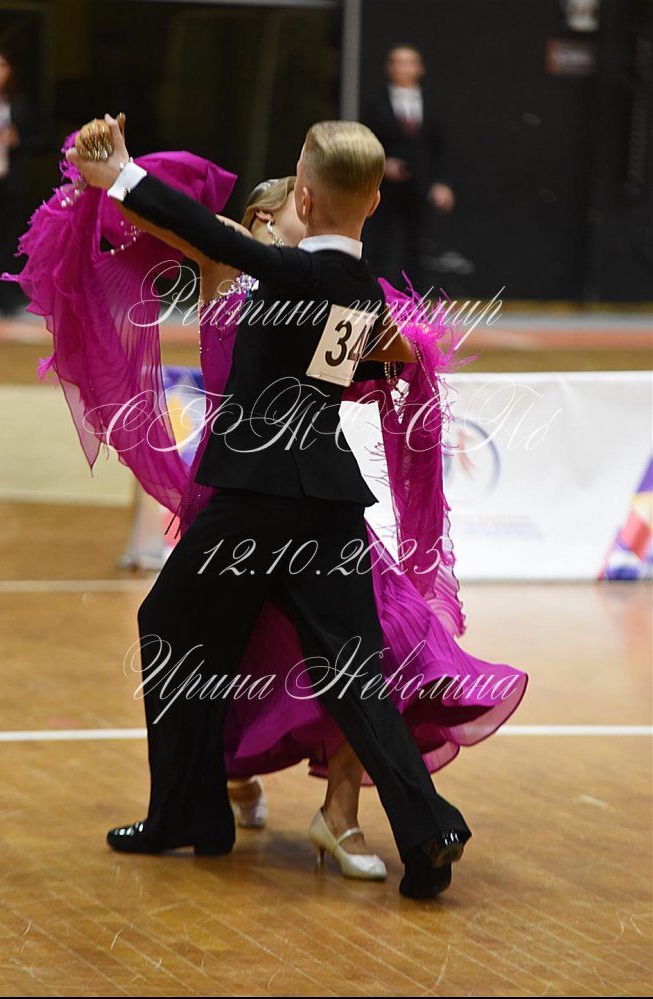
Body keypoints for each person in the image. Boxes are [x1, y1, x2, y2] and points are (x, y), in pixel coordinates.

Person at [64, 113, 479, 900]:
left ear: (310, 201)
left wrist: (119, 172)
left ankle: (187, 814)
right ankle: (429, 826)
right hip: (326, 498)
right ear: (374, 203)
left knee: (169, 625)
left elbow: (207, 233)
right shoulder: (360, 290)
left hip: (256, 497)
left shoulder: (294, 272)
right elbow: (323, 375)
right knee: (354, 671)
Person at [361, 44, 454, 290]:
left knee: (420, 245)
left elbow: (442, 146)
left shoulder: (433, 102)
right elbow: (365, 140)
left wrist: (443, 182)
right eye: (397, 62)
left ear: (419, 68)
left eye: (409, 62)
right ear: (389, 68)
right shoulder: (374, 102)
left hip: (422, 185)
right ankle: (377, 296)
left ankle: (416, 299)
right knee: (380, 243)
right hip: (384, 187)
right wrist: (383, 164)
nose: (403, 68)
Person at [0, 48, 32, 315]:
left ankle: (5, 293)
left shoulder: (18, 104)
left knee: (8, 236)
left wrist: (16, 140)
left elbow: (39, 139)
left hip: (8, 178)